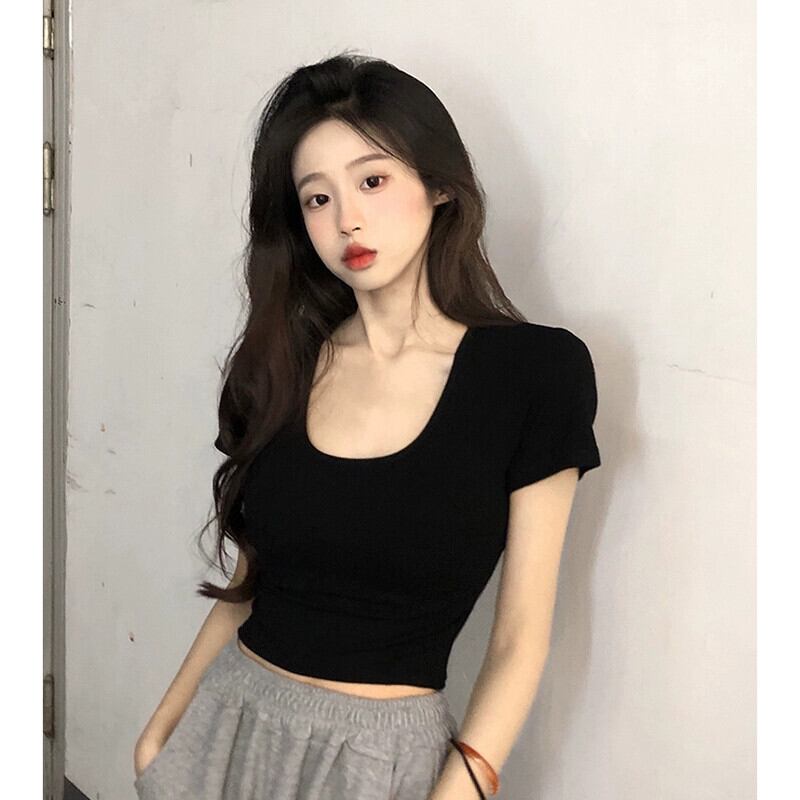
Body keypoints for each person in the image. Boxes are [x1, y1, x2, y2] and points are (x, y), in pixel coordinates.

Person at [132, 51, 601, 800]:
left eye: (372, 181)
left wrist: (463, 788)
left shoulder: (535, 373)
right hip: (225, 725)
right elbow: (252, 582)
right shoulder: (280, 365)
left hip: (378, 758)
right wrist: (160, 734)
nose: (346, 218)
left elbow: (519, 638)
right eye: (317, 198)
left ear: (440, 185)